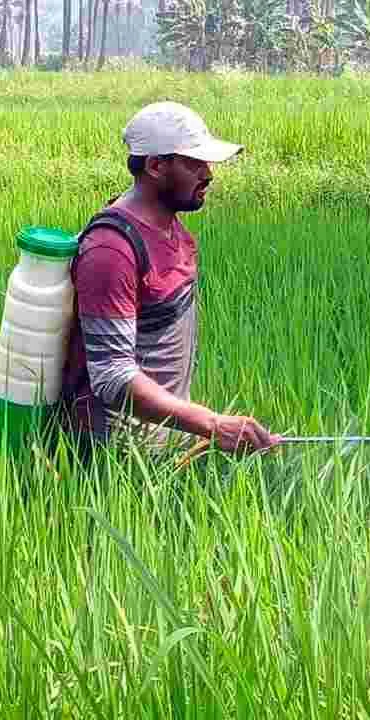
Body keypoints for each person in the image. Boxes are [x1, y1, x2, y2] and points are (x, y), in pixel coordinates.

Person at [57, 101, 282, 462]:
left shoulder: (170, 227)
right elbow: (111, 375)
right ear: (156, 166)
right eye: (194, 164)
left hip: (162, 441)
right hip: (115, 455)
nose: (208, 174)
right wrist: (210, 423)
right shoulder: (111, 250)